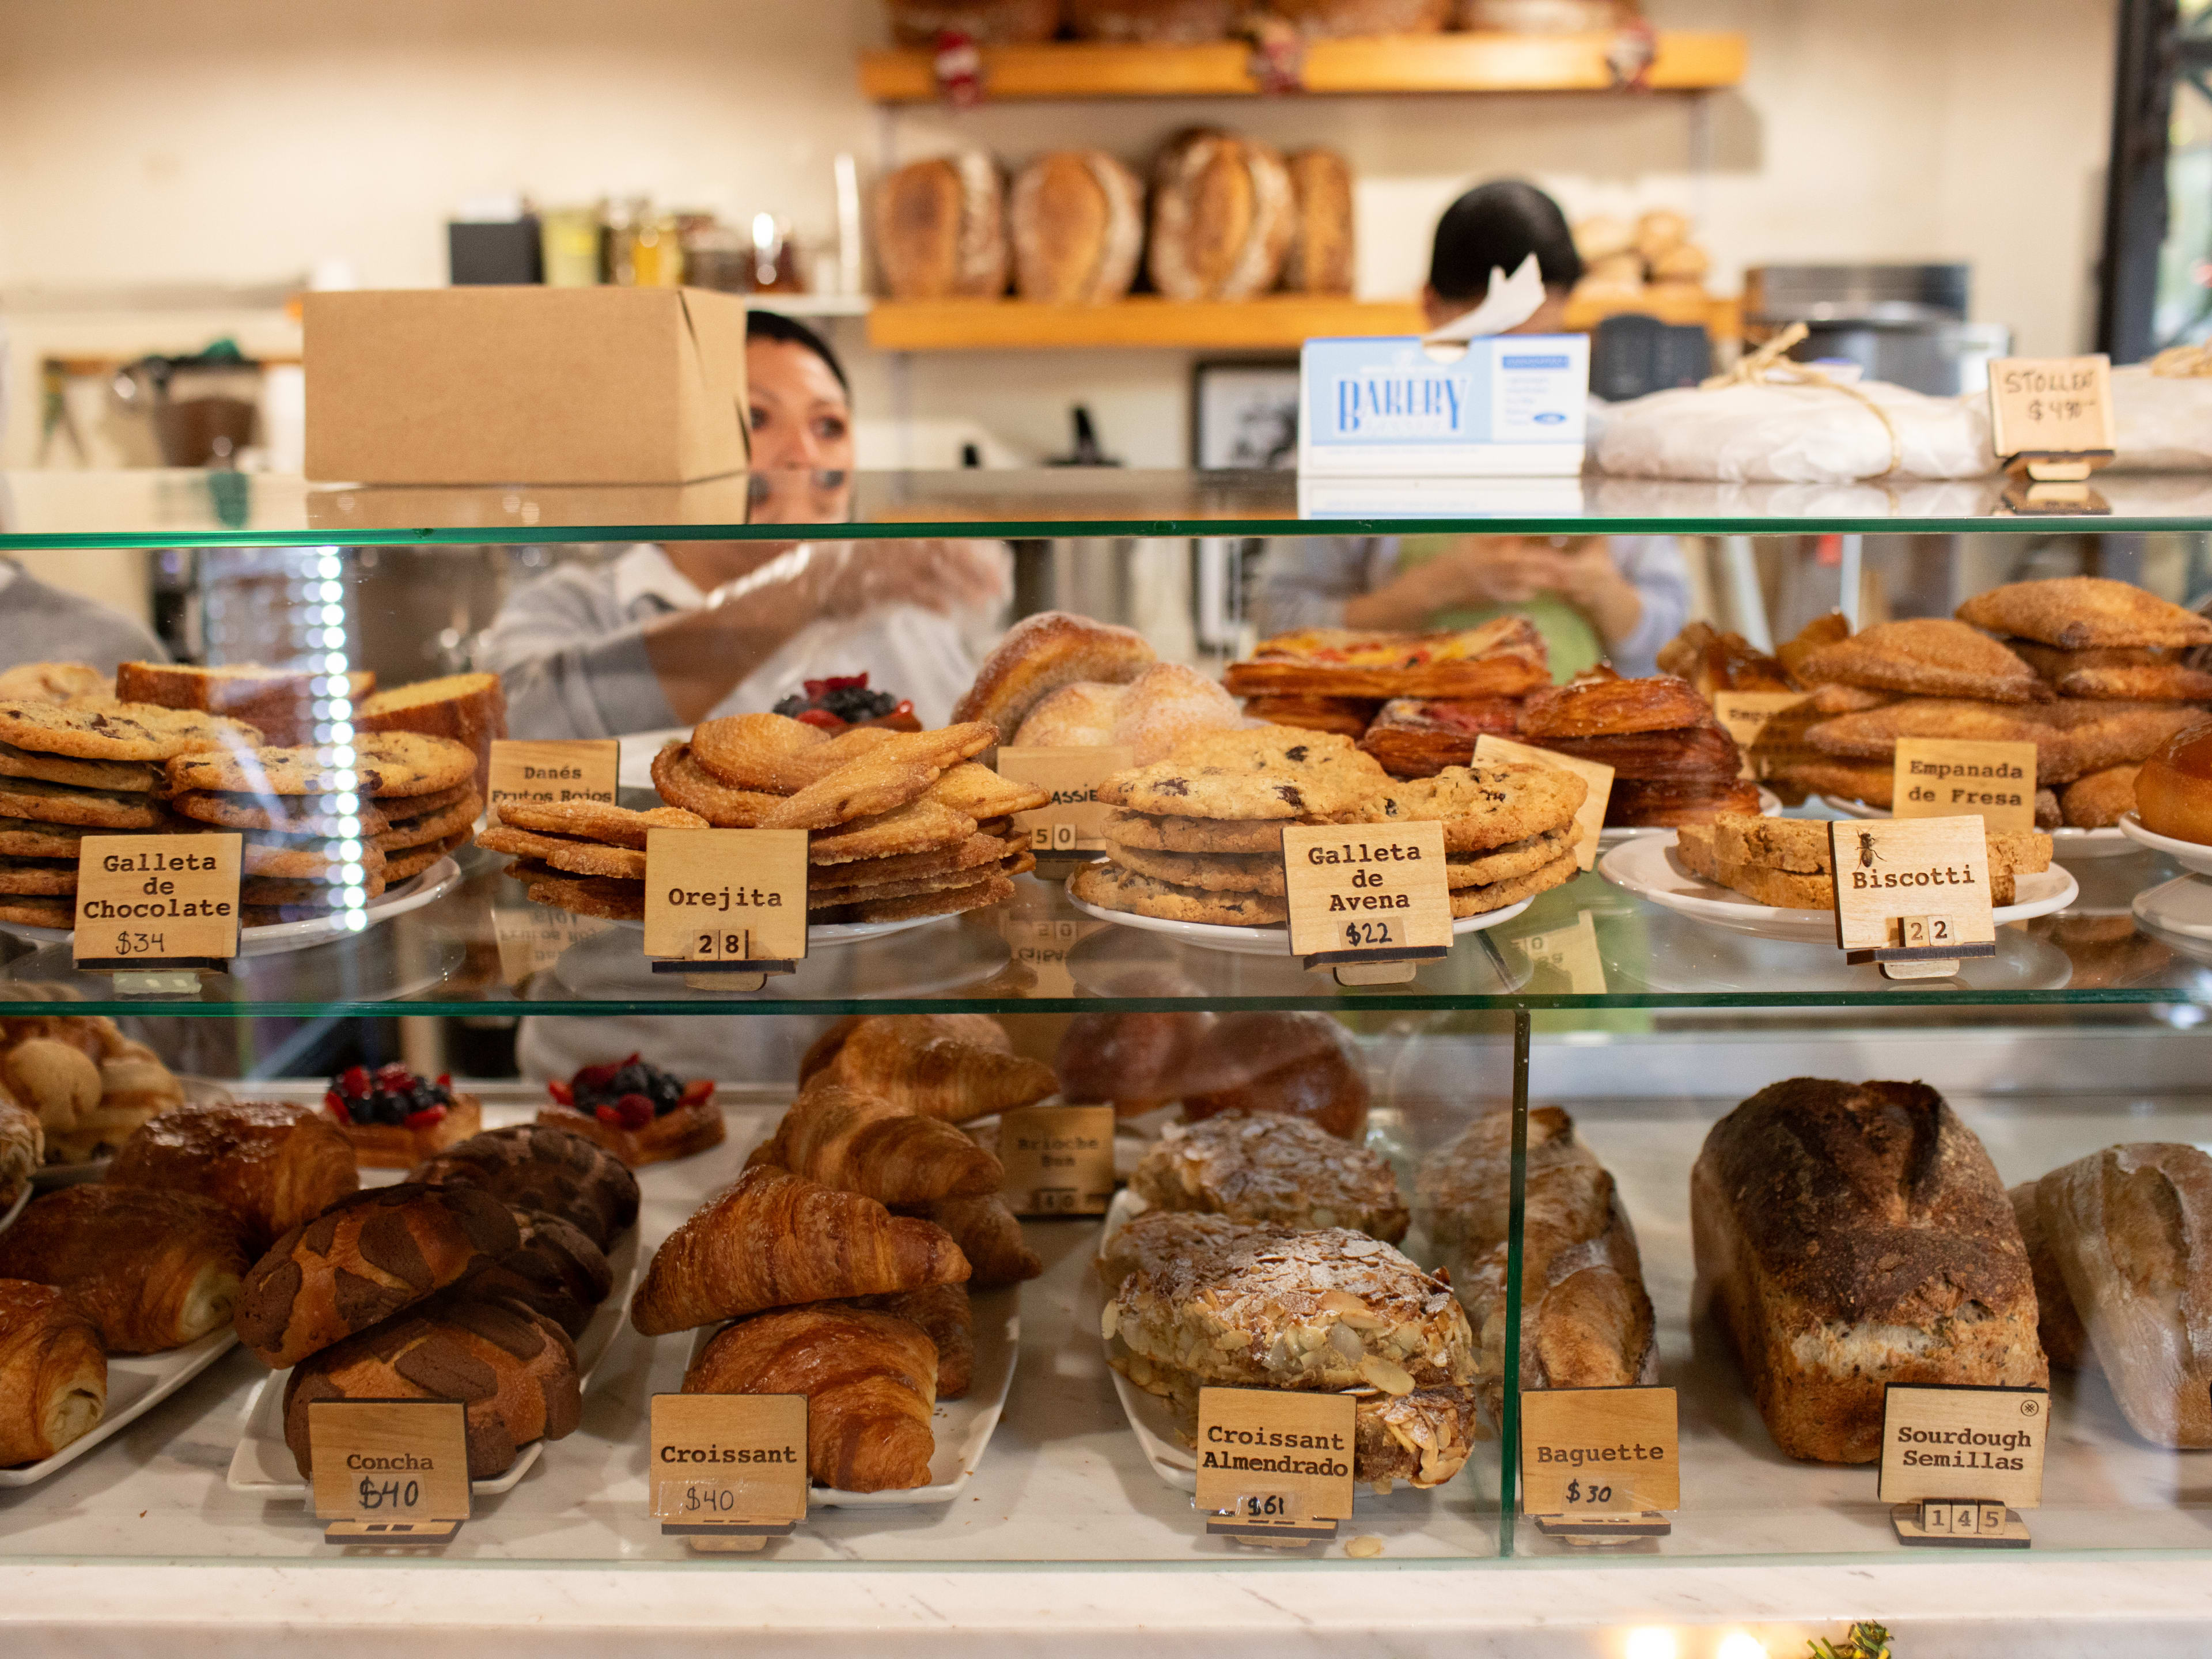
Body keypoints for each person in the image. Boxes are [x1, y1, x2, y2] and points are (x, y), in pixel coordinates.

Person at [479, 310, 1007, 737]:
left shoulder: (906, 611)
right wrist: (814, 583)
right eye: (755, 419)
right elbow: (513, 737)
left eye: (829, 425)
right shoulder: (576, 608)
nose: (804, 455)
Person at [1257, 180, 1689, 680]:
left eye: (1540, 350)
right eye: (1491, 350)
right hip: (1402, 744)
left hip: (1579, 743)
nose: (1510, 381)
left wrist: (1606, 592)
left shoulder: (1608, 443)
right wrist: (1433, 588)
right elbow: (1277, 627)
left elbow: (1674, 645)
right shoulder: (1355, 437)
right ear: (1432, 306)